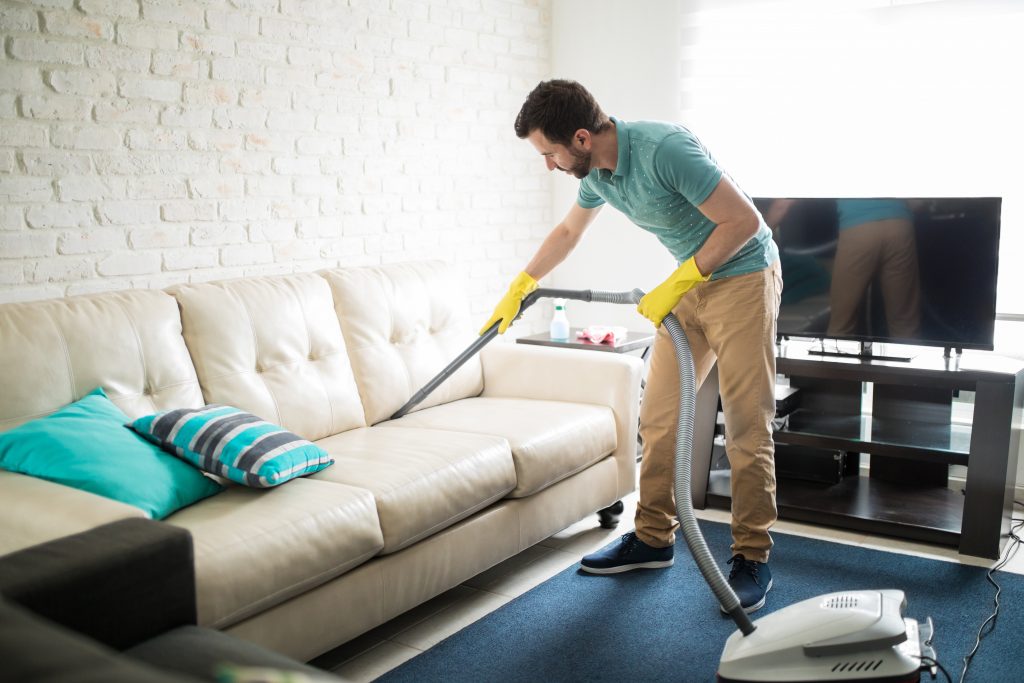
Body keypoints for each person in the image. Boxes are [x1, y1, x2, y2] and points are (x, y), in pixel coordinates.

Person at [481, 79, 783, 613]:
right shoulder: (596, 173)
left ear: (579, 137)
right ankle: (652, 538)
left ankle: (752, 557)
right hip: (690, 283)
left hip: (744, 276)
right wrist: (521, 285)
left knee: (744, 425)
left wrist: (677, 282)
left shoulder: (664, 149)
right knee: (659, 417)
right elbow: (569, 234)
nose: (548, 165)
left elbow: (743, 221)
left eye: (549, 153)